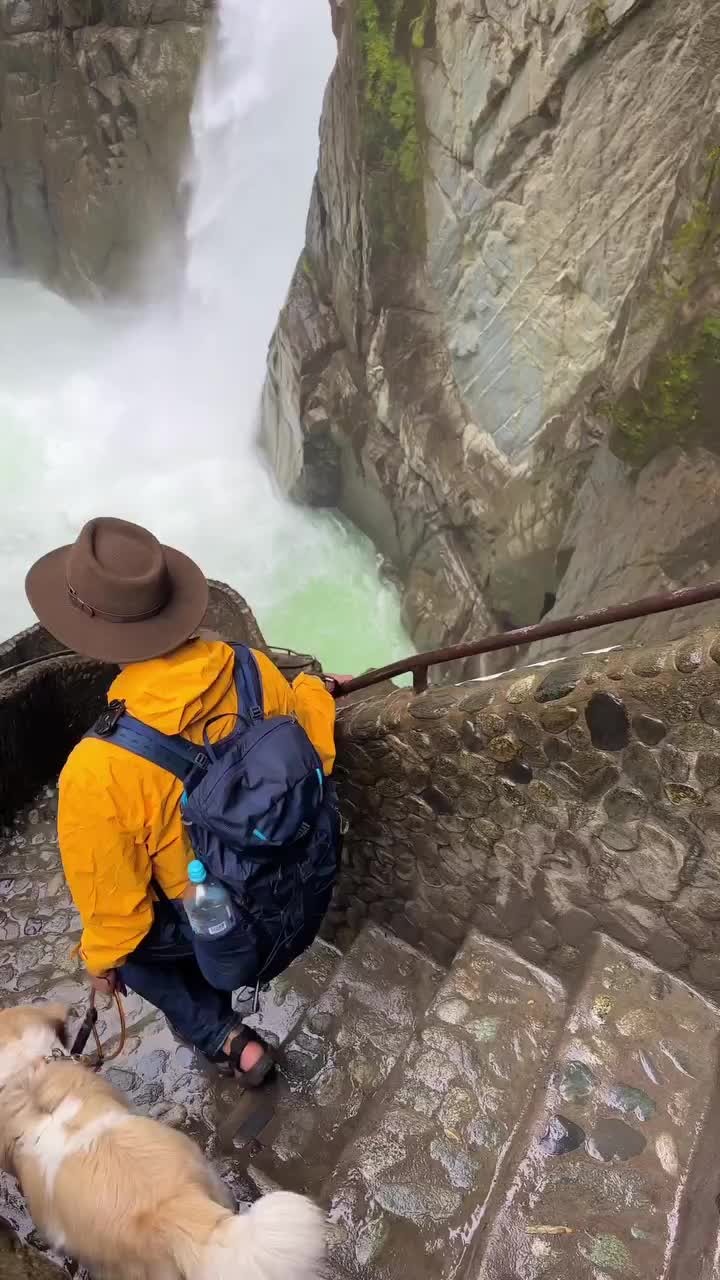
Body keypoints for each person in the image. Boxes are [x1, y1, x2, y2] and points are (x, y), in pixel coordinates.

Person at [25, 517, 342, 1085]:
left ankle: (227, 1040)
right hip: (305, 892)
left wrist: (100, 969)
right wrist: (318, 689)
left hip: (236, 941)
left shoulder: (99, 769)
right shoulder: (251, 666)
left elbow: (116, 918)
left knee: (129, 954)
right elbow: (314, 752)